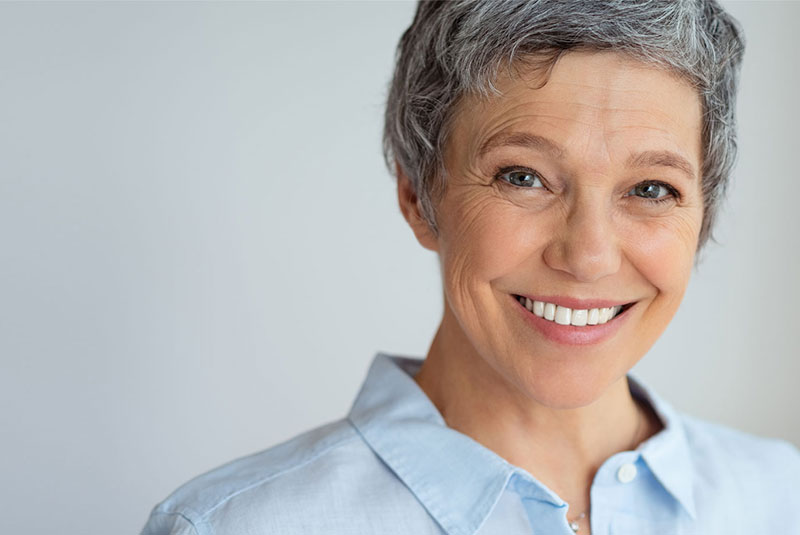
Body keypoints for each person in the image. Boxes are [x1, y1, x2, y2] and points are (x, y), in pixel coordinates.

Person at [141, 1, 800, 534]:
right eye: (525, 177)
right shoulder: (234, 526)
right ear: (418, 196)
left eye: (652, 189)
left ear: (703, 216)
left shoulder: (781, 500)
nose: (589, 254)